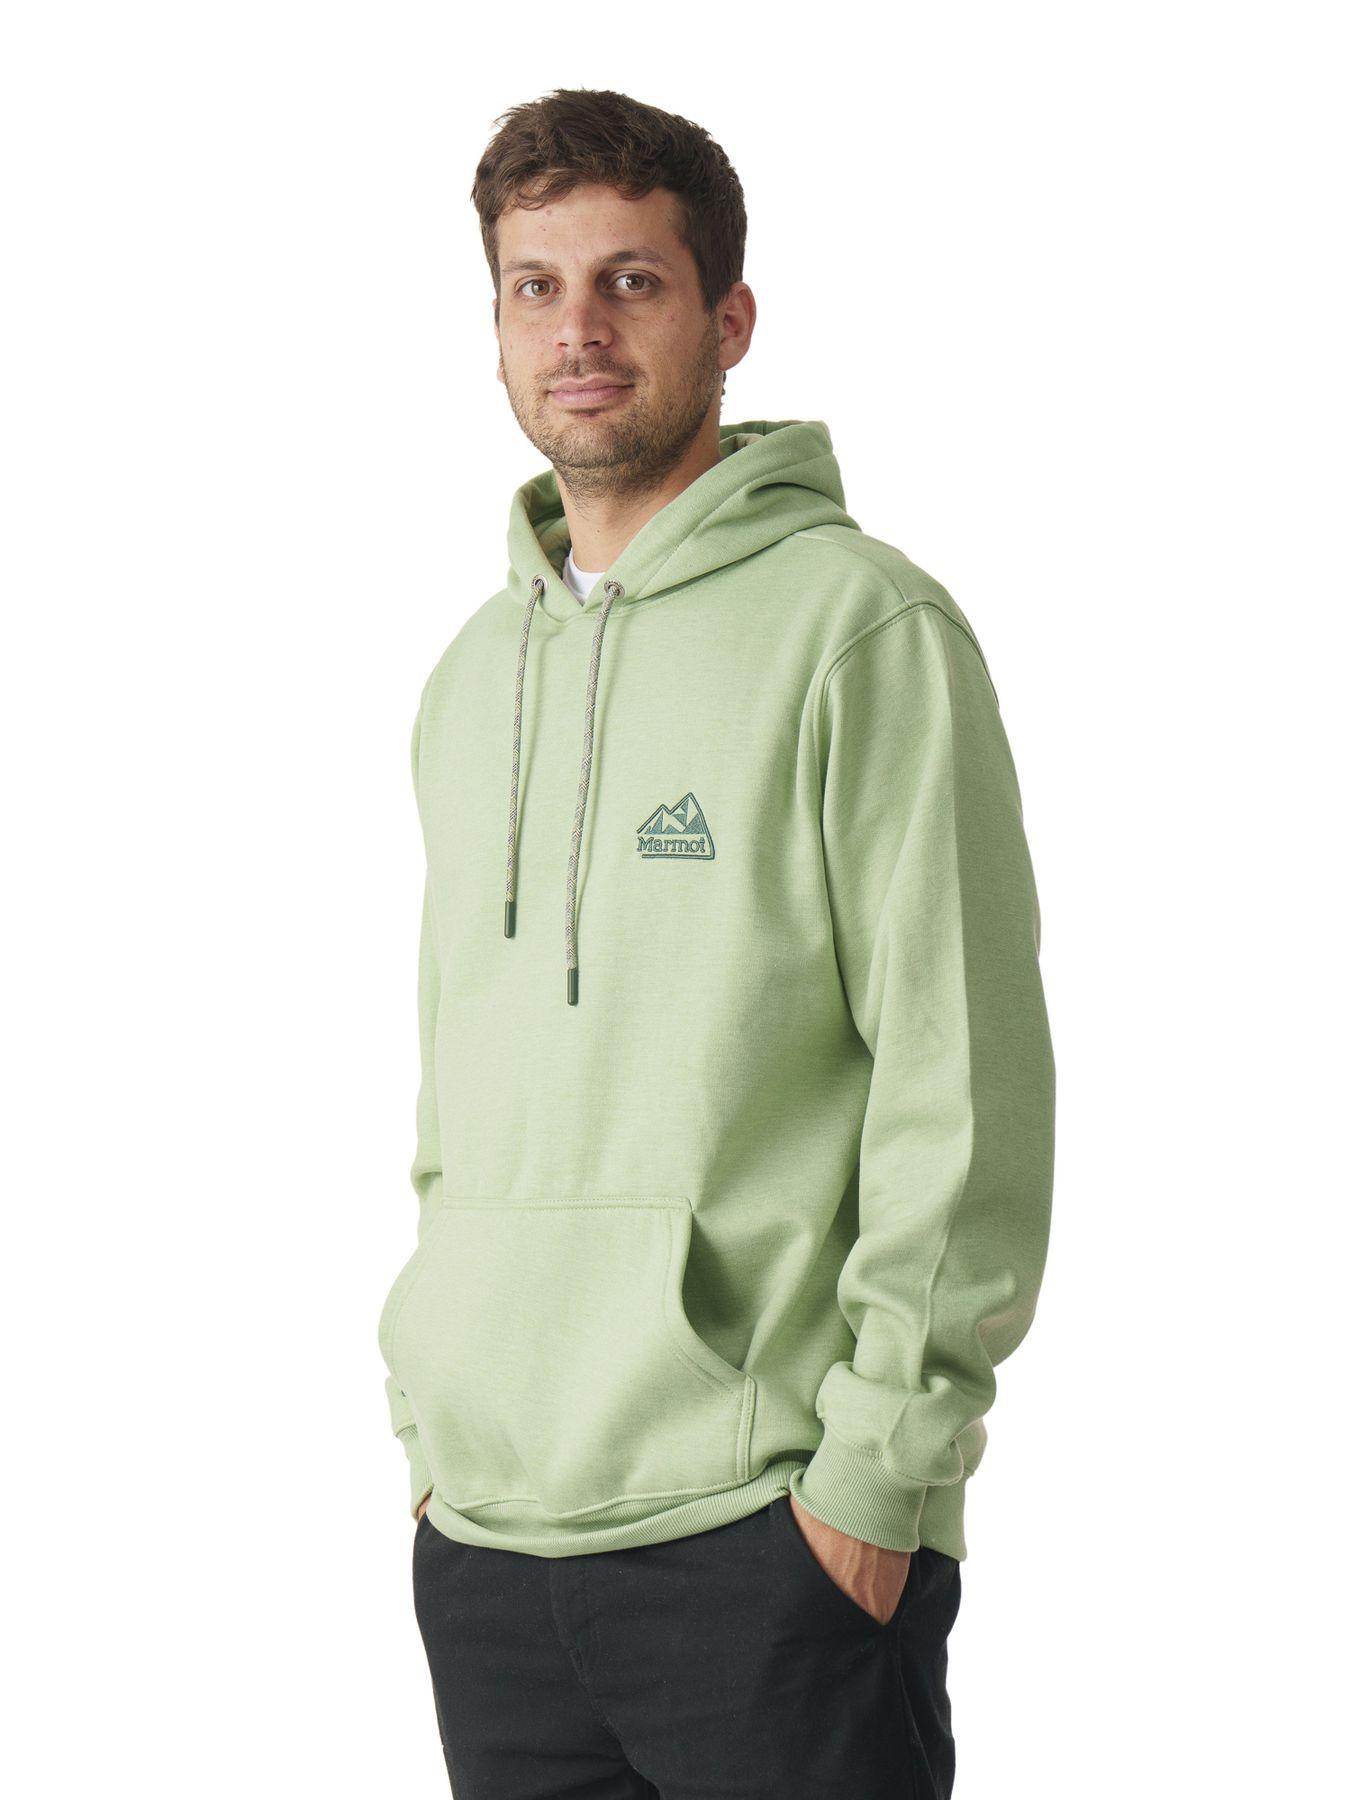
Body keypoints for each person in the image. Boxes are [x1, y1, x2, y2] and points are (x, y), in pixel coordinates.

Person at [376, 86, 1055, 1799]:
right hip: (489, 1543)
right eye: (534, 288)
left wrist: (877, 1480)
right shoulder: (470, 676)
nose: (579, 332)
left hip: (765, 1538)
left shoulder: (859, 629)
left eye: (631, 282)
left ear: (728, 319)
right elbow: (455, 1087)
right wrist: (430, 1426)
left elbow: (960, 1081)